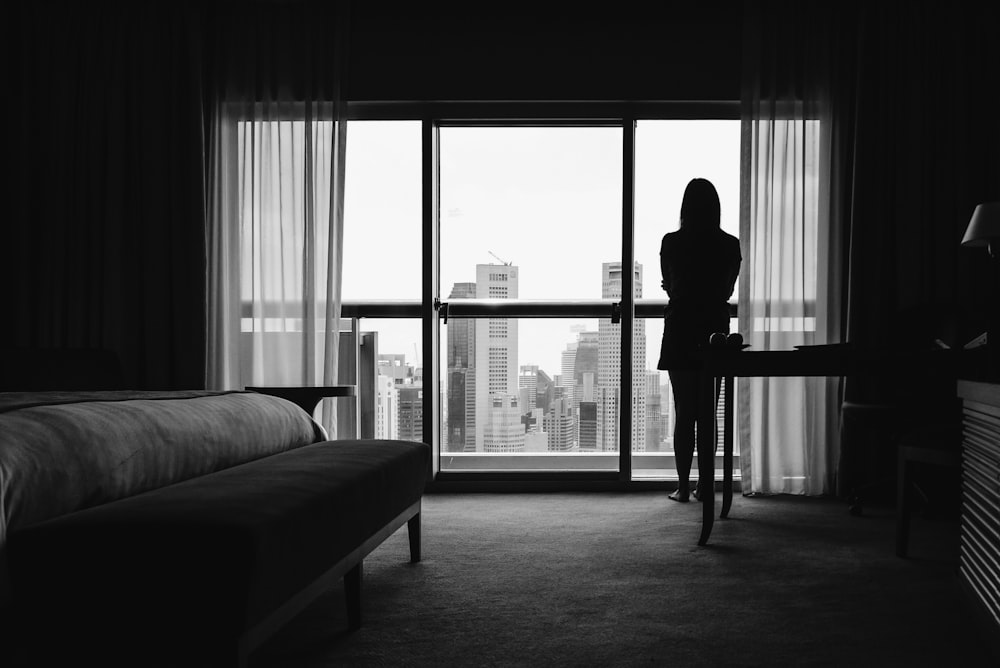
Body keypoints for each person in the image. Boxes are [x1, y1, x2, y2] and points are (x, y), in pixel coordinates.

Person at [657, 178, 741, 502]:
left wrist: (679, 289)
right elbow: (726, 290)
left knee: (684, 412)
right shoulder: (729, 245)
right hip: (713, 332)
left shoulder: (672, 242)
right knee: (708, 411)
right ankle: (706, 485)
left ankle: (682, 486)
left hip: (680, 328)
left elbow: (671, 284)